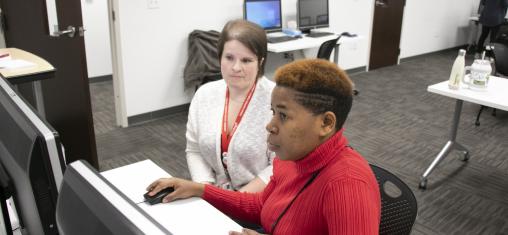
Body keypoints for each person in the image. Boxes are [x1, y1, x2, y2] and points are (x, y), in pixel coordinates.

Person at [148, 59, 381, 235]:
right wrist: (200, 189)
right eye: (273, 112)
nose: (270, 126)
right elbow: (262, 205)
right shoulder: (291, 158)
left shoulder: (347, 184)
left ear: (326, 123)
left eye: (283, 115)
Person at [185, 19, 275, 192]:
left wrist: (233, 201)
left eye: (246, 60)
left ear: (260, 61)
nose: (236, 67)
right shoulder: (204, 94)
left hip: (259, 201)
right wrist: (206, 189)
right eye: (229, 57)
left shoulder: (276, 100)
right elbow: (194, 149)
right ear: (220, 57)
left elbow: (279, 166)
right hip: (214, 198)